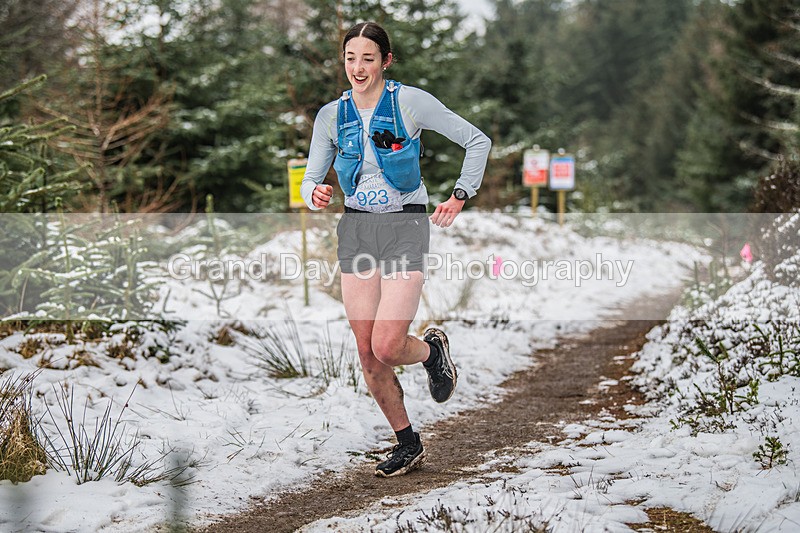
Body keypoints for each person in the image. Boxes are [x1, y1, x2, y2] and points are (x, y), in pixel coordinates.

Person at [301, 21, 491, 477]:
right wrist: (316, 193)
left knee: (388, 345)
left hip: (406, 225)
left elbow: (477, 141)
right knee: (367, 352)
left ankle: (431, 353)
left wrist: (460, 194)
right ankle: (407, 442)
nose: (358, 67)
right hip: (357, 231)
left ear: (385, 61)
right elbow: (311, 178)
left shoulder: (409, 101)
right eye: (350, 58)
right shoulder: (331, 115)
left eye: (368, 58)